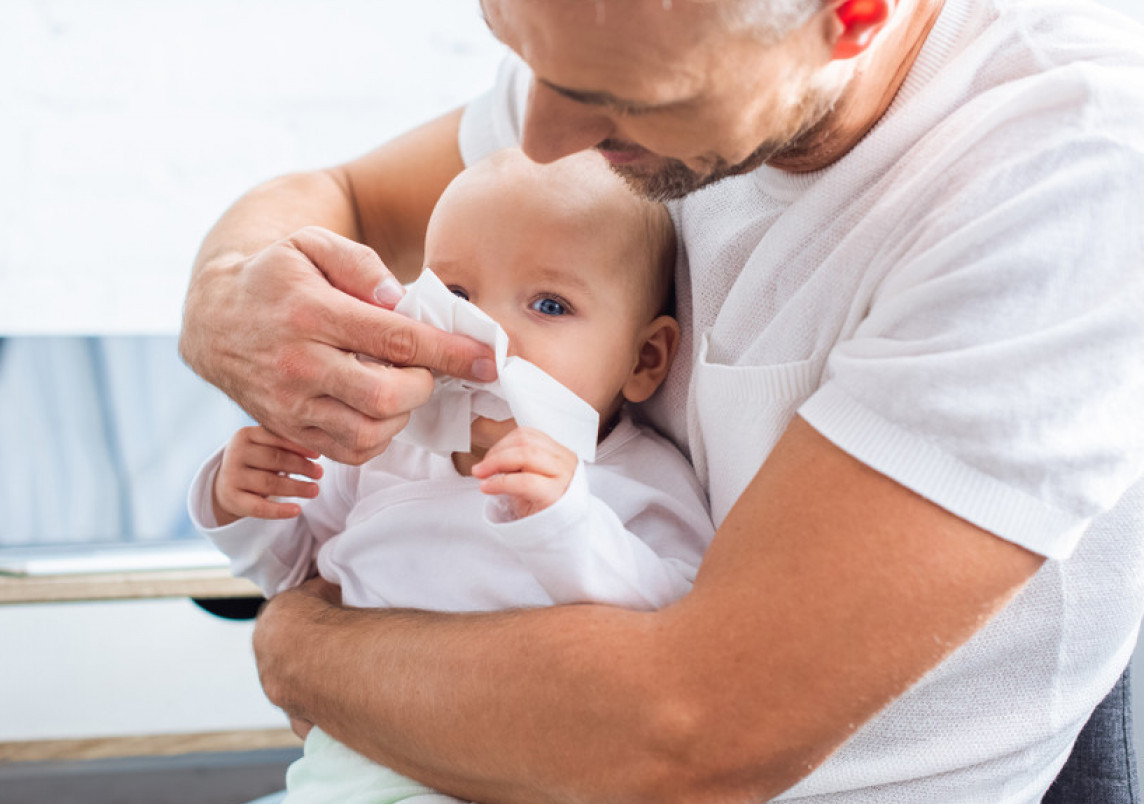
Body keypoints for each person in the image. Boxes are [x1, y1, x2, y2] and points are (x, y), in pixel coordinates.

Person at [178, 0, 1144, 800]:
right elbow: (341, 193)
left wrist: (300, 648)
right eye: (515, 47)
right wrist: (226, 296)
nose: (547, 138)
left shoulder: (1066, 175)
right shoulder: (614, 34)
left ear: (852, 17)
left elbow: (683, 740)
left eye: (621, 101)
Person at [189, 148, 714, 803]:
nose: (486, 333)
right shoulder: (385, 446)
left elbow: (677, 617)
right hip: (349, 770)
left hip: (522, 776)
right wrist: (245, 504)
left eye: (549, 305)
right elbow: (294, 579)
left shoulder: (635, 477)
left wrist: (567, 524)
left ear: (645, 358)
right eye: (457, 296)